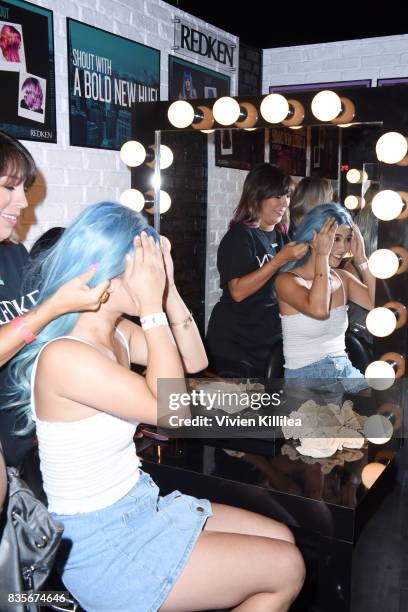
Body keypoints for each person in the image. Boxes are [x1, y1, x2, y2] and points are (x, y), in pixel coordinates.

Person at [6, 200, 305, 612]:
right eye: (142, 266)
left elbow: (196, 360)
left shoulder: (116, 332)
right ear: (109, 272)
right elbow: (174, 412)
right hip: (103, 546)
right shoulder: (65, 356)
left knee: (282, 539)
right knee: (286, 568)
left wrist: (168, 289)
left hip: (141, 506)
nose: (150, 274)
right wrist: (150, 307)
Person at [0, 131, 110, 466]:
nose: (22, 201)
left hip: (22, 450)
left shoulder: (14, 255)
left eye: (23, 189)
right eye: (8, 187)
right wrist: (53, 307)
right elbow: (170, 406)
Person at [206, 163, 308, 378]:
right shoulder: (239, 237)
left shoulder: (284, 237)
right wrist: (279, 260)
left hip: (268, 336)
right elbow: (238, 291)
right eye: (277, 197)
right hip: (236, 339)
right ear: (257, 197)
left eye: (286, 196)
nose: (284, 203)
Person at [275, 203, 375, 383]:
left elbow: (380, 308)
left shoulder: (343, 278)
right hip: (305, 380)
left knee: (390, 405)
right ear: (314, 238)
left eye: (347, 239)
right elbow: (319, 310)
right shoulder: (287, 281)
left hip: (344, 372)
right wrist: (322, 256)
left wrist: (362, 260)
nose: (343, 247)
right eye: (336, 238)